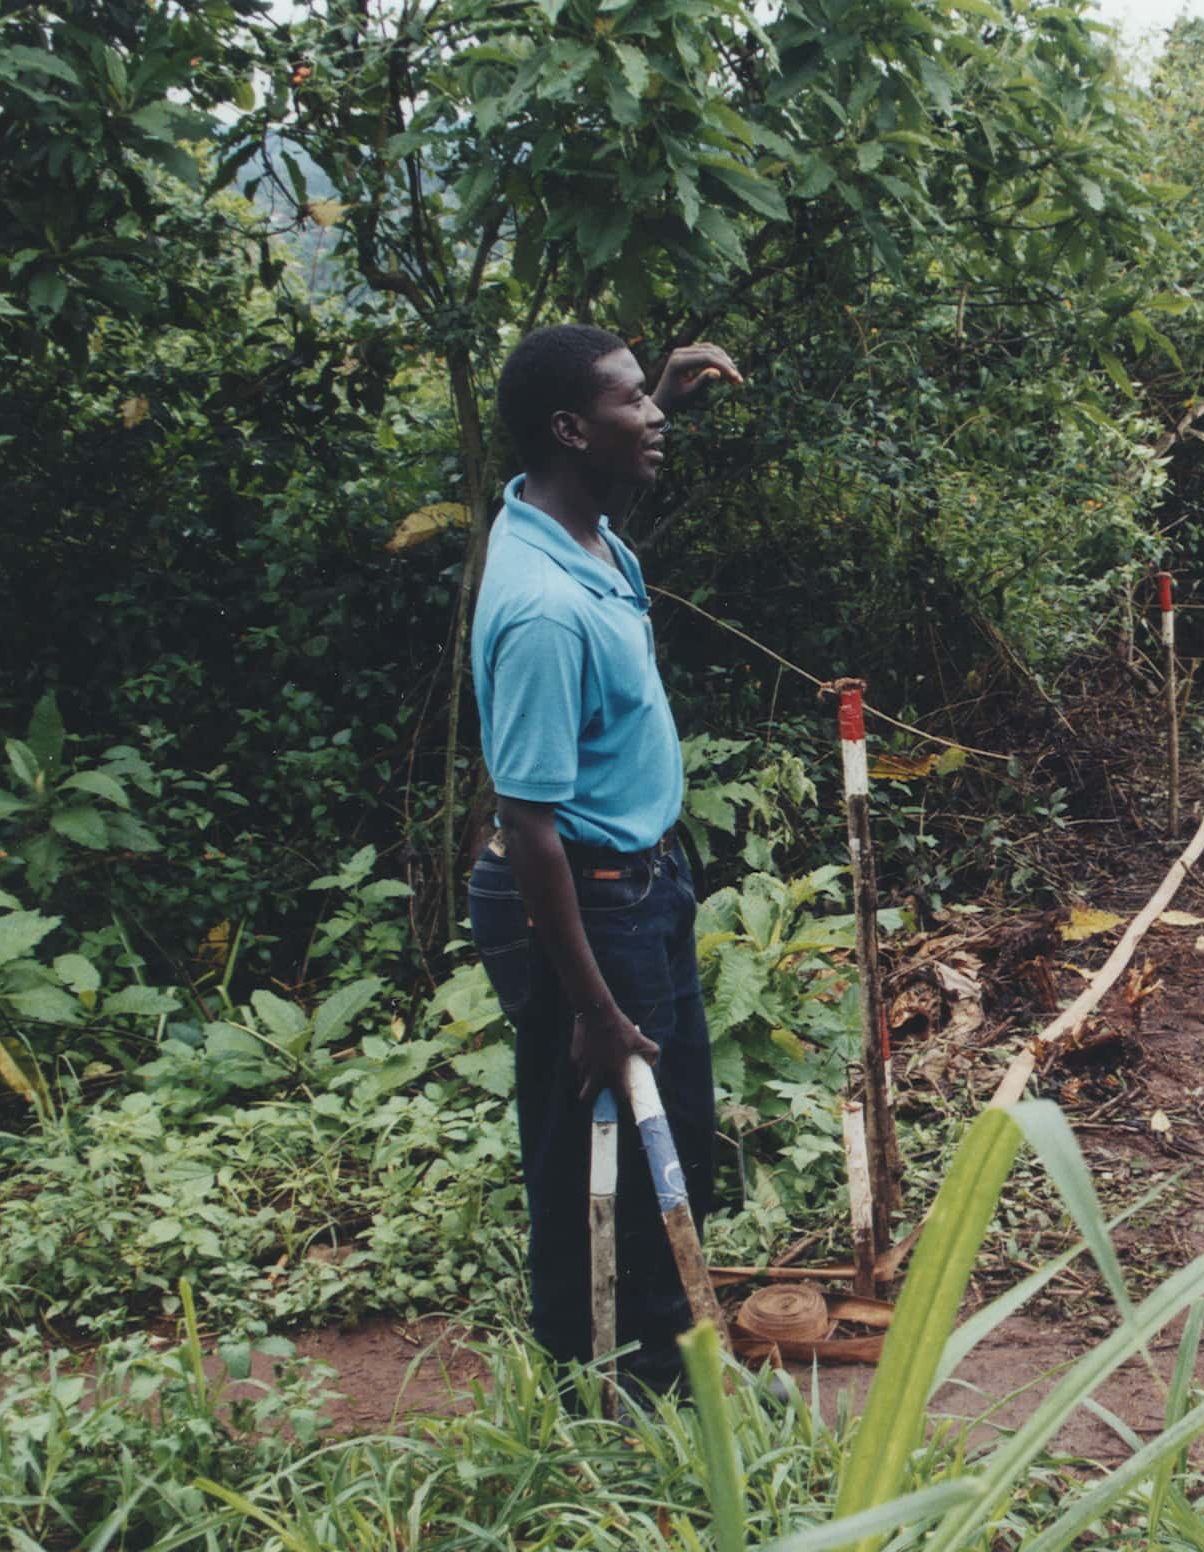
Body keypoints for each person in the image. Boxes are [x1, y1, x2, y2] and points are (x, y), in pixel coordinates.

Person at [467, 324, 743, 1396]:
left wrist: (665, 389)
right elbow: (528, 827)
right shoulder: (539, 610)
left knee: (672, 1132)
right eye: (634, 401)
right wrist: (587, 1003)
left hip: (641, 885)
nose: (657, 417)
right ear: (572, 430)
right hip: (582, 902)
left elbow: (613, 467)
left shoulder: (575, 528)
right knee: (605, 1151)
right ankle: (621, 1387)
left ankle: (656, 1355)